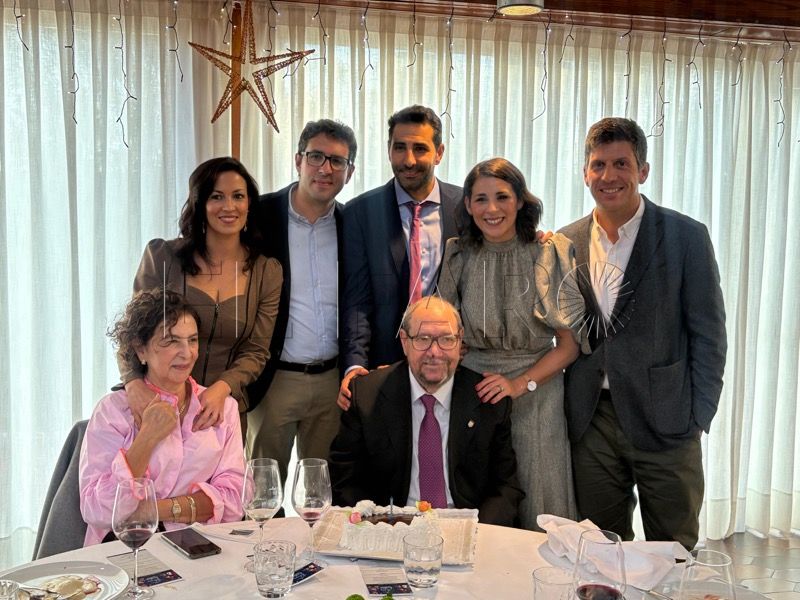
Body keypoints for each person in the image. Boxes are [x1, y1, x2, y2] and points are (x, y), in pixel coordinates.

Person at [560, 117, 726, 550]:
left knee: (672, 552)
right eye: (598, 165)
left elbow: (709, 334)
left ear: (643, 171)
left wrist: (698, 416)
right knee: (600, 549)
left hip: (667, 418)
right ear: (585, 173)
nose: (609, 175)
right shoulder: (565, 241)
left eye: (622, 164)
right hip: (591, 420)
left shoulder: (686, 237)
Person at [438, 158, 582, 530]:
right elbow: (444, 328)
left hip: (537, 397)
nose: (492, 208)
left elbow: (569, 346)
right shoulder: (457, 254)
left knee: (540, 509)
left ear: (519, 200)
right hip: (477, 395)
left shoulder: (548, 252)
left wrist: (519, 384)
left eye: (502, 196)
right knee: (481, 508)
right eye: (481, 199)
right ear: (468, 205)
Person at [120, 157, 282, 437]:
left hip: (221, 411)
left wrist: (222, 388)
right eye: (216, 196)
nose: (228, 206)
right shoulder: (162, 258)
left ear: (249, 204)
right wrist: (132, 383)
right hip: (156, 405)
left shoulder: (267, 272)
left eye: (238, 196)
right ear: (200, 203)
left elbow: (256, 351)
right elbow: (132, 332)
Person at [329, 296, 524, 527]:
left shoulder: (488, 400)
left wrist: (479, 533)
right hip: (391, 526)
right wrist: (375, 528)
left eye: (446, 339)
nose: (435, 351)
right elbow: (345, 479)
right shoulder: (366, 395)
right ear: (404, 341)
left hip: (466, 527)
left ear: (460, 340)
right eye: (423, 339)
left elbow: (505, 488)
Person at [80, 289, 245, 545]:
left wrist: (152, 510)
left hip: (198, 547)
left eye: (192, 340)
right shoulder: (113, 411)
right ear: (141, 350)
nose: (187, 353)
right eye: (171, 341)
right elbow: (96, 509)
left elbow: (235, 501)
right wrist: (147, 437)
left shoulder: (223, 409)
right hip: (125, 546)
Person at [246, 119, 356, 486]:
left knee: (323, 494)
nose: (325, 168)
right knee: (260, 492)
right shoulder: (259, 216)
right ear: (298, 160)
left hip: (331, 383)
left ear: (349, 172)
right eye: (315, 157)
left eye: (337, 161)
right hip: (273, 379)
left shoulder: (352, 224)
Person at [338, 105, 462, 409]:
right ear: (388, 150)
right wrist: (355, 364)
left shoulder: (466, 207)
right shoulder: (360, 213)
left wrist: (537, 237)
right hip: (381, 368)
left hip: (450, 365)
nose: (408, 160)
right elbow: (357, 300)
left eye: (420, 148)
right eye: (399, 148)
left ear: (439, 153)